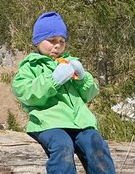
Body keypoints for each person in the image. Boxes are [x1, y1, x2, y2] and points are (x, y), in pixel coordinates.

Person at [12, 11, 116, 174]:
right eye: (51, 40)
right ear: (38, 41)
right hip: (48, 123)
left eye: (62, 40)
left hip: (80, 122)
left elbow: (89, 95)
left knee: (96, 142)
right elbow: (25, 93)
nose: (57, 45)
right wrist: (53, 80)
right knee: (62, 145)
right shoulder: (31, 66)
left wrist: (82, 78)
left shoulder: (70, 63)